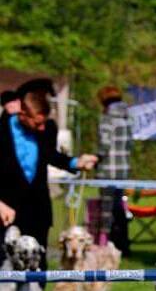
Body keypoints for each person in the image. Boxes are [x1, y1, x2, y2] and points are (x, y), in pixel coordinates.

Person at [0, 88, 97, 267]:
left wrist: (77, 162)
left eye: (44, 123)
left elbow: (52, 156)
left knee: (37, 267)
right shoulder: (2, 129)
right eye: (37, 124)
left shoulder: (48, 128)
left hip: (37, 210)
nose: (42, 128)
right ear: (22, 114)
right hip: (6, 211)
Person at [96, 86, 132, 255]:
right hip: (123, 168)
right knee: (120, 208)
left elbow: (104, 144)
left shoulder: (107, 118)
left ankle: (104, 244)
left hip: (108, 169)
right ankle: (124, 244)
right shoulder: (128, 116)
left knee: (106, 209)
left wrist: (96, 157)